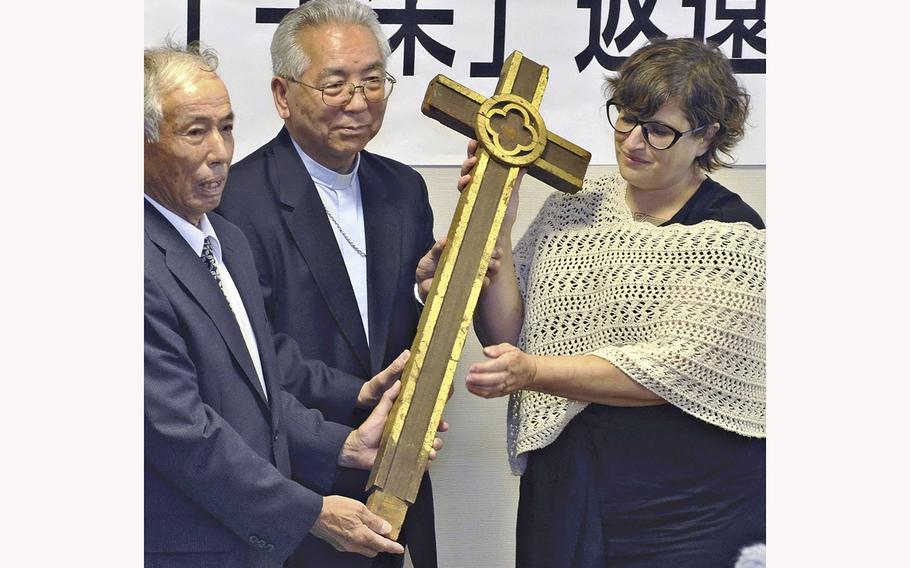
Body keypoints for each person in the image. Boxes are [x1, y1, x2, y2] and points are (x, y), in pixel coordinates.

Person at [419, 37, 765, 567]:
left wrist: (533, 372)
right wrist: (503, 230)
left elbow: (668, 371)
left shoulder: (733, 237)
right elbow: (512, 333)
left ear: (707, 136)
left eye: (660, 130)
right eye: (626, 118)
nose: (633, 141)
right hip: (568, 483)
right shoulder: (575, 208)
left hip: (684, 505)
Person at [144, 41, 444, 568]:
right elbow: (179, 431)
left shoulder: (226, 241)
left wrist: (343, 446)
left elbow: (256, 395)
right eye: (195, 132)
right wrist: (308, 512)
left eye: (228, 128)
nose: (220, 151)